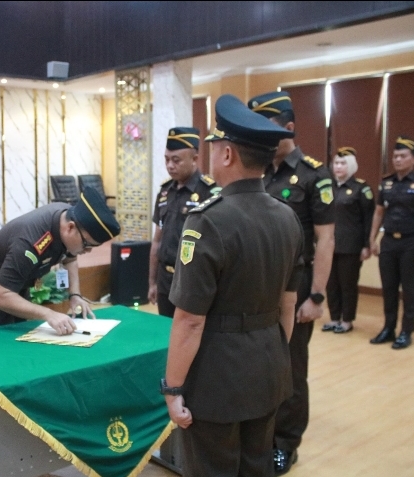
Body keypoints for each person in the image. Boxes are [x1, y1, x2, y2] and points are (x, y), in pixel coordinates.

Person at [162, 94, 304, 476]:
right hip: (269, 369)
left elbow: (190, 319)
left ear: (227, 154)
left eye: (214, 146)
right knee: (257, 466)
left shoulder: (208, 220)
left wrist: (173, 389)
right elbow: (288, 304)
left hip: (218, 379)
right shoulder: (288, 217)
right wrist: (271, 354)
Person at [248, 90, 335, 475]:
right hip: (260, 288)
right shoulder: (259, 172)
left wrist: (316, 295)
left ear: (289, 127)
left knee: (291, 368)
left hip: (297, 288)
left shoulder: (314, 174)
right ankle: (262, 433)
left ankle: (286, 442)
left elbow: (326, 239)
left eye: (269, 128)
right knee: (261, 363)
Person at [0, 187, 120, 334]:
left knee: (21, 331)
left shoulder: (69, 218)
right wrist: (49, 314)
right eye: (86, 245)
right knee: (2, 337)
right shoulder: (29, 244)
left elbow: (70, 259)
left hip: (19, 280)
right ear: (70, 228)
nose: (87, 251)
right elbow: (0, 297)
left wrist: (75, 295)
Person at [149, 127, 219, 317]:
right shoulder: (165, 192)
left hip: (193, 281)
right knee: (165, 330)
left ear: (194, 159)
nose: (170, 165)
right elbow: (157, 240)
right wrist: (152, 282)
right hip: (165, 280)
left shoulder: (209, 192)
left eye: (176, 160)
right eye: (166, 159)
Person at [368, 137, 414, 349]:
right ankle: (388, 328)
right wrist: (372, 240)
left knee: (409, 291)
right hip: (389, 242)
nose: (398, 160)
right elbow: (378, 213)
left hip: (411, 242)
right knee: (389, 288)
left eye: (403, 156)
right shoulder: (386, 183)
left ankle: (406, 331)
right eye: (395, 156)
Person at [323, 147, 375, 334]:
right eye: (336, 163)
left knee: (347, 285)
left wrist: (366, 245)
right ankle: (334, 318)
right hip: (330, 244)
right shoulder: (328, 187)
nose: (338, 167)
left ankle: (347, 320)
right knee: (331, 284)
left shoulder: (361, 188)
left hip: (351, 246)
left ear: (352, 166)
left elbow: (369, 219)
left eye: (343, 163)